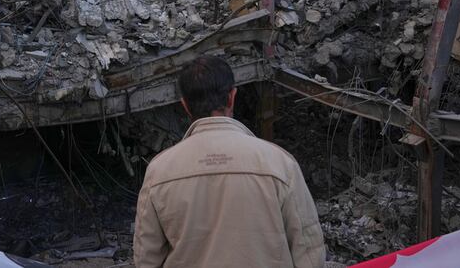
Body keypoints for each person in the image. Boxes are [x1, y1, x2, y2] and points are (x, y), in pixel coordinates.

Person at [133, 55, 326, 268]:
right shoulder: (280, 164)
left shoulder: (159, 171)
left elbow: (146, 259)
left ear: (185, 105)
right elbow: (308, 250)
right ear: (232, 97)